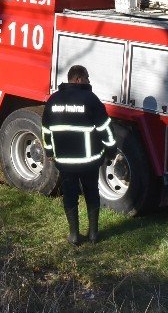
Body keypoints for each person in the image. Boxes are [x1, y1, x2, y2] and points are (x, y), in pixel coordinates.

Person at [41, 65, 116, 246]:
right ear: (78, 79)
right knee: (91, 193)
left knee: (69, 194)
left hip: (65, 162)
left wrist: (50, 152)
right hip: (89, 161)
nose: (89, 81)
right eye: (88, 78)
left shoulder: (53, 100)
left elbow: (46, 130)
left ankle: (74, 235)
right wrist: (111, 151)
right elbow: (105, 129)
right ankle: (93, 235)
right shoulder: (91, 99)